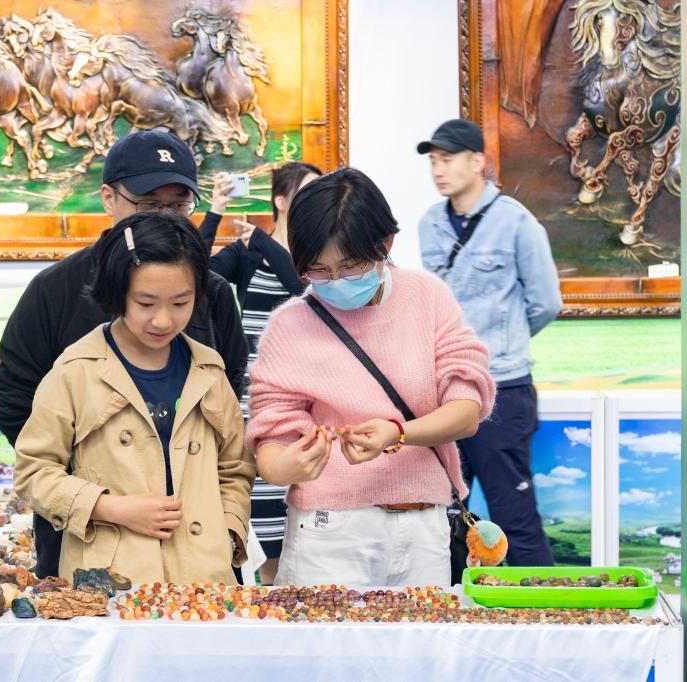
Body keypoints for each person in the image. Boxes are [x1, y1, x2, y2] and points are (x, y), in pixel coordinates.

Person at [0, 129, 249, 578]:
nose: (163, 321)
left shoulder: (209, 297)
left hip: (200, 564)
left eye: (179, 206)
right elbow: (19, 412)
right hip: (98, 545)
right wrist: (101, 489)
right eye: (149, 204)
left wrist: (227, 530)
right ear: (109, 198)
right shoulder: (55, 294)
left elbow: (231, 448)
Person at [246, 167, 496, 586]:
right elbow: (271, 446)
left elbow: (466, 413)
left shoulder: (428, 298)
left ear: (386, 243)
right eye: (318, 270)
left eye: (351, 266)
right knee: (323, 633)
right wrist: (288, 465)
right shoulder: (290, 325)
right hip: (329, 532)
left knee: (425, 632)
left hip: (424, 531)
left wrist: (397, 433)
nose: (335, 282)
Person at [416, 118, 562, 566]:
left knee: (514, 517)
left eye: (448, 159)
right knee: (442, 519)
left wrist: (500, 344)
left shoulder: (517, 222)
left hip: (502, 390)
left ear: (478, 161)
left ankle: (538, 606)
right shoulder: (429, 224)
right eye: (433, 161)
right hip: (444, 392)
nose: (438, 170)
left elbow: (546, 303)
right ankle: (450, 603)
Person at [201, 161, 322, 584]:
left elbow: (304, 289)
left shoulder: (319, 259)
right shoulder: (248, 253)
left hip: (307, 400)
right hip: (254, 399)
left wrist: (264, 243)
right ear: (280, 200)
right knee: (262, 511)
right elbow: (193, 275)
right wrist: (215, 210)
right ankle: (268, 597)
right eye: (306, 190)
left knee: (302, 504)